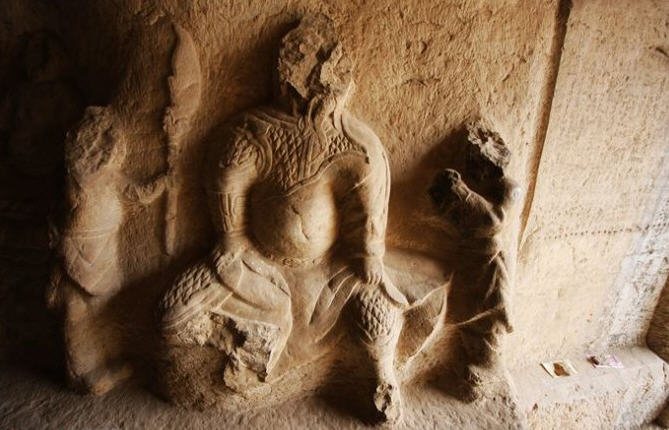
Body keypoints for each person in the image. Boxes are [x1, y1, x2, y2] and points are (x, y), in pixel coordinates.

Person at [160, 15, 405, 422]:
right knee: (174, 313)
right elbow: (226, 188)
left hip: (329, 273)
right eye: (300, 67)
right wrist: (232, 241)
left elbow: (368, 229)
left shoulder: (354, 144)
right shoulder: (252, 131)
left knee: (373, 307)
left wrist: (369, 256)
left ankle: (383, 376)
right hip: (254, 265)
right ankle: (246, 343)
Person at [48, 106, 167, 394]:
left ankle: (98, 362)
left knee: (95, 304)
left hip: (97, 247)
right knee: (77, 305)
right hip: (81, 246)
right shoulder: (86, 178)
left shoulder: (95, 176)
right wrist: (166, 179)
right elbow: (141, 194)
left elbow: (140, 194)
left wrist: (166, 179)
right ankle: (81, 371)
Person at [429, 124, 521, 400]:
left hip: (491, 263)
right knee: (469, 315)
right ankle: (474, 364)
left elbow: (492, 222)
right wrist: (451, 195)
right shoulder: (475, 184)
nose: (477, 172)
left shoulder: (509, 188)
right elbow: (449, 215)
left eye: (482, 165)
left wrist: (464, 194)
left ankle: (486, 367)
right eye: (473, 164)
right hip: (470, 260)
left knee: (490, 313)